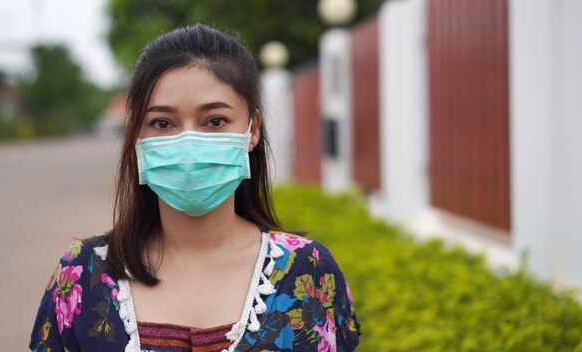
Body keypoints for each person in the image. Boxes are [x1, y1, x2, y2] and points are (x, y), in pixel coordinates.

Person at [29, 24, 360, 352]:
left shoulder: (308, 269)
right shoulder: (81, 274)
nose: (187, 142)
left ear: (252, 130)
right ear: (136, 136)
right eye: (162, 123)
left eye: (215, 121)